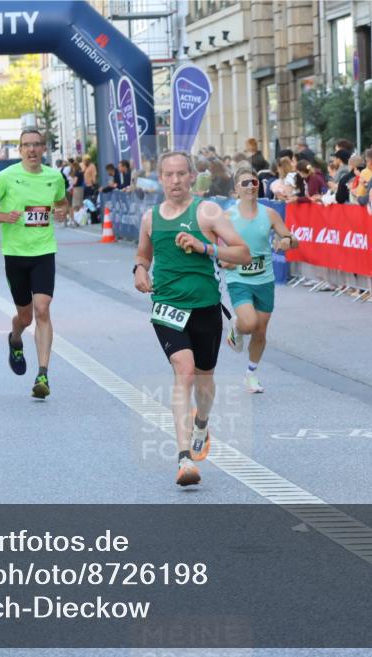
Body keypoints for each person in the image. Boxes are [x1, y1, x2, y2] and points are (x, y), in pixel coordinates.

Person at [133, 151, 251, 486]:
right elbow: (143, 254)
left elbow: (242, 253)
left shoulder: (207, 212)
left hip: (205, 307)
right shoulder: (150, 218)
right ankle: (184, 458)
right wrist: (140, 269)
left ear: (192, 176)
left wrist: (206, 249)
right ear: (160, 177)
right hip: (167, 308)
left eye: (181, 174)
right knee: (182, 372)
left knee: (204, 380)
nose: (175, 181)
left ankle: (202, 422)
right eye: (168, 175)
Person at [0, 127, 68, 399]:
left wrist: (63, 212)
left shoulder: (55, 177)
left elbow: (62, 203)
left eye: (37, 145)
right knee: (26, 317)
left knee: (42, 310)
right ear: (20, 150)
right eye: (27, 145)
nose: (32, 150)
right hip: (16, 255)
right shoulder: (6, 177)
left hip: (43, 252)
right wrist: (4, 217)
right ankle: (15, 338)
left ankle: (43, 374)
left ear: (44, 149)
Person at [222, 168, 297, 392]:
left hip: (264, 279)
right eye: (244, 183)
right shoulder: (227, 217)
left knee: (261, 330)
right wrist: (223, 258)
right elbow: (216, 247)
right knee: (249, 323)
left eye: (253, 182)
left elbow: (292, 239)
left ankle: (251, 374)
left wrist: (287, 241)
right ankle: (236, 326)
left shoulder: (269, 214)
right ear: (236, 189)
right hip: (239, 278)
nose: (250, 186)